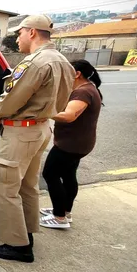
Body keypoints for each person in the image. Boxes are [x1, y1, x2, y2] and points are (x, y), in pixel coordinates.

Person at [0, 15, 75, 263]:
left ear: (33, 32)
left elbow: (13, 98)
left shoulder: (34, 63)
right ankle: (26, 232)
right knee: (27, 186)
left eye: (20, 33)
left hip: (21, 132)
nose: (18, 37)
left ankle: (17, 245)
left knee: (5, 188)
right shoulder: (62, 61)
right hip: (42, 128)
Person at [39, 59, 103, 229]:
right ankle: (65, 211)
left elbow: (69, 116)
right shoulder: (89, 88)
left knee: (50, 174)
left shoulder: (83, 92)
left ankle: (59, 217)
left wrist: (45, 112)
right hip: (80, 143)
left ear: (77, 74)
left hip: (71, 145)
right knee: (68, 175)